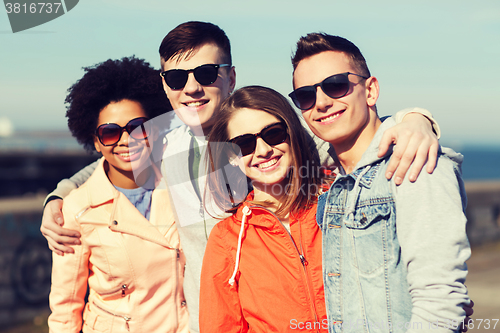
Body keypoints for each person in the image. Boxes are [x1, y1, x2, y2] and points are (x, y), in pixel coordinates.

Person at [41, 22, 442, 332]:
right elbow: (111, 159)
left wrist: (414, 120)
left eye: (207, 73)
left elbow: (347, 138)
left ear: (230, 77)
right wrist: (58, 196)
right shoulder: (165, 146)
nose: (192, 88)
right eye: (177, 79)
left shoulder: (273, 137)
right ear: (165, 87)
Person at [290, 33, 470, 332]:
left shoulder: (413, 161)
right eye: (306, 96)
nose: (320, 103)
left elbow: (441, 302)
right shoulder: (331, 174)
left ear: (370, 90)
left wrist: (417, 122)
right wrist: (416, 117)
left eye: (336, 85)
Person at [47, 57, 189, 333]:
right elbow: (65, 310)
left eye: (137, 127)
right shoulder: (77, 209)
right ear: (97, 141)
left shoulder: (184, 186)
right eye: (110, 132)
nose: (126, 140)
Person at [200, 85, 328, 332]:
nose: (263, 150)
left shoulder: (335, 206)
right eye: (244, 144)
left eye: (273, 133)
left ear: (291, 133)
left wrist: (414, 118)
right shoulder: (227, 239)